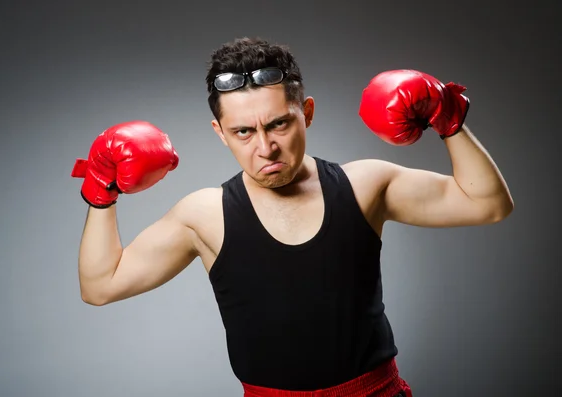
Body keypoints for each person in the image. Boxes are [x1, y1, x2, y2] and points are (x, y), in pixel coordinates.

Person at [71, 37, 514, 397]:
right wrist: (100, 191)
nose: (264, 147)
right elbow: (100, 285)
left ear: (307, 114)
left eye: (279, 124)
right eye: (243, 131)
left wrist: (447, 117)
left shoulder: (364, 185)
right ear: (220, 133)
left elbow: (487, 204)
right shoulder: (204, 214)